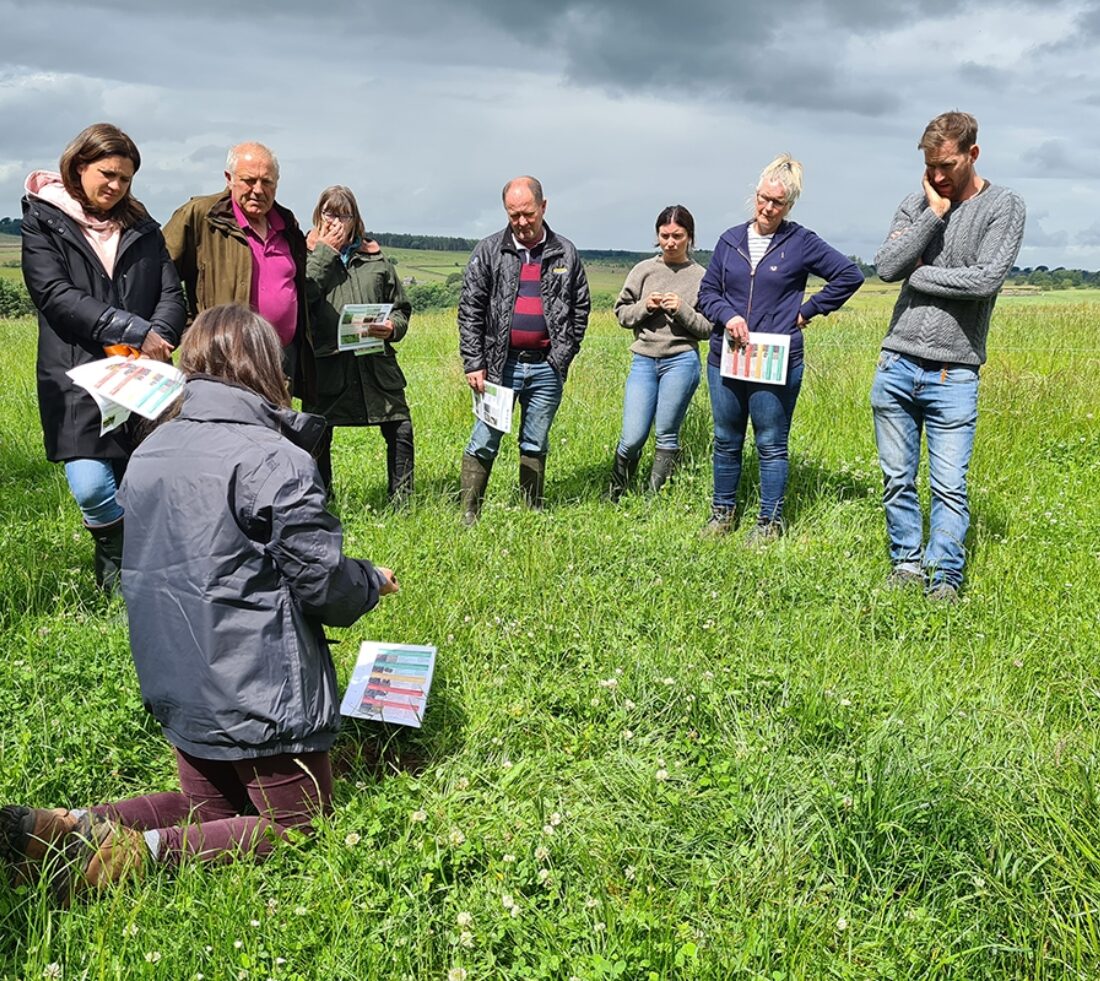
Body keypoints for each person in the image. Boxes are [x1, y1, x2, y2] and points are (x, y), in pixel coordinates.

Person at [0, 305, 398, 903]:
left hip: (179, 684)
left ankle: (60, 826)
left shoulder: (150, 452)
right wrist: (369, 580)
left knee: (203, 805)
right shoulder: (276, 458)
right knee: (297, 823)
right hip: (259, 696)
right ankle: (126, 856)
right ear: (267, 366)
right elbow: (325, 589)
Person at [20, 122, 186, 593]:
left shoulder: (142, 225)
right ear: (78, 166)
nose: (115, 186)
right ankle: (118, 548)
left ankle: (127, 589)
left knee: (141, 481)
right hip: (77, 374)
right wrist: (133, 328)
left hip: (141, 374)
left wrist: (159, 334)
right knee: (93, 486)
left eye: (126, 178)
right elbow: (54, 295)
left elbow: (171, 292)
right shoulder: (44, 219)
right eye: (107, 174)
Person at [871, 111, 1025, 601]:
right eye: (929, 165)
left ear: (972, 154)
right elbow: (886, 267)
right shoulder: (917, 204)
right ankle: (906, 565)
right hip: (896, 362)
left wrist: (921, 275)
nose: (937, 175)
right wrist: (933, 215)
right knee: (898, 480)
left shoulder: (1005, 207)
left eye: (947, 164)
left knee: (949, 486)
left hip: (953, 371)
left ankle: (945, 578)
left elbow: (985, 281)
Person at [697, 154, 863, 541]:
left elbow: (848, 275)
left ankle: (769, 522)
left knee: (770, 442)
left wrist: (809, 310)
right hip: (728, 355)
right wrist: (728, 316)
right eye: (763, 199)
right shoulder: (730, 240)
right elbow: (708, 292)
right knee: (726, 438)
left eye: (777, 203)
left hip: (774, 358)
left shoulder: (800, 242)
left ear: (789, 206)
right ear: (754, 195)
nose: (767, 208)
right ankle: (722, 514)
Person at [457, 176, 590, 522]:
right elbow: (470, 308)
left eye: (528, 213)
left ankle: (531, 510)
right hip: (500, 367)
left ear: (544, 207)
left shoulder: (565, 252)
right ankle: (469, 514)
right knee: (484, 439)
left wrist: (563, 355)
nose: (521, 222)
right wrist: (474, 361)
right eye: (513, 215)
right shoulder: (489, 251)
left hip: (547, 367)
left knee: (535, 441)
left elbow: (580, 307)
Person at [162, 142, 314, 397]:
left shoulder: (286, 224)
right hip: (221, 362)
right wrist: (191, 328)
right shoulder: (202, 215)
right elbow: (159, 277)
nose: (258, 190)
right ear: (229, 178)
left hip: (277, 364)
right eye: (249, 180)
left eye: (267, 182)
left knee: (270, 433)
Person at [303, 186, 414, 503]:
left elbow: (400, 308)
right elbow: (302, 297)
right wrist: (325, 252)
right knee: (318, 434)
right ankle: (322, 501)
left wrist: (393, 327)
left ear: (356, 219)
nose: (336, 221)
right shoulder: (307, 255)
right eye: (330, 213)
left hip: (375, 366)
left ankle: (403, 503)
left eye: (344, 214)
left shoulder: (375, 258)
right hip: (329, 366)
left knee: (400, 429)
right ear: (318, 216)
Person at [610, 204, 712, 499]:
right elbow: (622, 314)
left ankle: (654, 498)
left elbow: (707, 329)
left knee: (666, 432)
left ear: (690, 237)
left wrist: (682, 310)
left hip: (681, 360)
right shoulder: (643, 270)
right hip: (643, 359)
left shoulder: (701, 276)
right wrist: (646, 306)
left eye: (677, 236)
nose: (670, 242)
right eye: (665, 235)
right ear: (657, 236)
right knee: (632, 436)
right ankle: (617, 491)